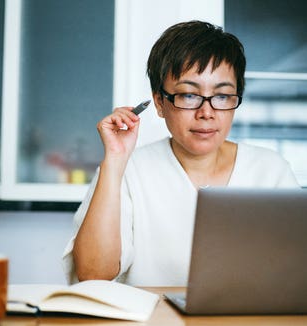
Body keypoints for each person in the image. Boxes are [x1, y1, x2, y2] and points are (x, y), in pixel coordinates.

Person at [63, 21, 299, 286]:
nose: (207, 113)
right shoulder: (128, 170)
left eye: (222, 96)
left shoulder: (271, 170)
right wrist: (115, 160)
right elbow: (93, 275)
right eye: (188, 95)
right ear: (160, 103)